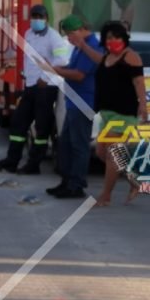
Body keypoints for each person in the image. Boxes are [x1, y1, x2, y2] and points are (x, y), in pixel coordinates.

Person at [0, 4, 69, 174]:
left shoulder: (54, 38)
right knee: (18, 123)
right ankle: (11, 161)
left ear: (47, 19)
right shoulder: (28, 34)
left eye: (40, 17)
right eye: (34, 17)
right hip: (31, 86)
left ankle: (34, 165)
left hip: (46, 88)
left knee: (42, 128)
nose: (36, 20)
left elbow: (61, 61)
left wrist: (45, 77)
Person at [90, 21, 148, 206]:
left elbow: (139, 82)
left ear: (123, 38)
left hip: (123, 115)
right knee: (101, 152)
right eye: (109, 37)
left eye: (116, 37)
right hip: (107, 115)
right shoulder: (106, 57)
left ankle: (106, 196)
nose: (112, 40)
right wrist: (82, 45)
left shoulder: (130, 56)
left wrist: (143, 106)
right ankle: (135, 180)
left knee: (112, 154)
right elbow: (95, 60)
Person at [46, 14, 102, 199]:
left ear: (80, 30)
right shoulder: (80, 48)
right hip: (73, 101)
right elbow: (71, 67)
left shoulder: (91, 46)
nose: (69, 39)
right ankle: (67, 181)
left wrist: (54, 71)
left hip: (83, 102)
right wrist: (55, 68)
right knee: (66, 144)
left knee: (78, 145)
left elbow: (79, 75)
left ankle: (76, 185)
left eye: (70, 35)